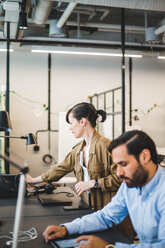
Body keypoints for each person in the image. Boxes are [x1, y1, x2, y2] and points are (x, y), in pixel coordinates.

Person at [43, 130, 165, 248]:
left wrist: (109, 247)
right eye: (116, 165)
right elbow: (105, 216)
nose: (118, 173)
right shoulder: (131, 185)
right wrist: (67, 229)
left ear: (145, 156)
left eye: (123, 164)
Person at [26, 102, 133, 237]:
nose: (70, 128)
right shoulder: (78, 149)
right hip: (90, 210)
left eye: (71, 123)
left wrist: (94, 183)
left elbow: (123, 179)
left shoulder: (107, 145)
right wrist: (33, 180)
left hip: (111, 215)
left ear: (83, 121)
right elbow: (59, 169)